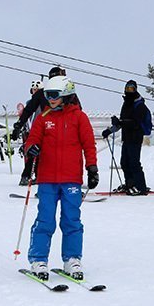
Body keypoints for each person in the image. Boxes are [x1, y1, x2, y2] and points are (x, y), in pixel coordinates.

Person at [24, 75, 98, 281]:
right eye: (47, 95)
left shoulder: (79, 118)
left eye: (54, 95)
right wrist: (32, 148)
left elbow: (89, 144)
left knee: (72, 220)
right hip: (47, 178)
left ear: (66, 94)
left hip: (71, 179)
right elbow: (30, 141)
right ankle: (38, 259)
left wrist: (92, 168)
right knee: (45, 220)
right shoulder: (43, 117)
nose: (50, 99)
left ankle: (72, 258)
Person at [13, 68, 65, 187]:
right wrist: (18, 125)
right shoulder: (42, 93)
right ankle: (30, 177)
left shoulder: (67, 93)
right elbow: (28, 110)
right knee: (35, 151)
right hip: (45, 128)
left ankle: (64, 182)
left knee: (60, 156)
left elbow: (77, 111)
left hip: (63, 129)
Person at [101, 79, 151, 195]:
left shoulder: (140, 105)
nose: (129, 91)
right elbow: (122, 122)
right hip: (127, 138)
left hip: (135, 137)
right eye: (127, 88)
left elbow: (135, 123)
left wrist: (120, 122)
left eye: (131, 88)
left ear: (135, 89)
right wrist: (109, 131)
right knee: (124, 162)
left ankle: (140, 187)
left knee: (134, 163)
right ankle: (130, 184)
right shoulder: (126, 103)